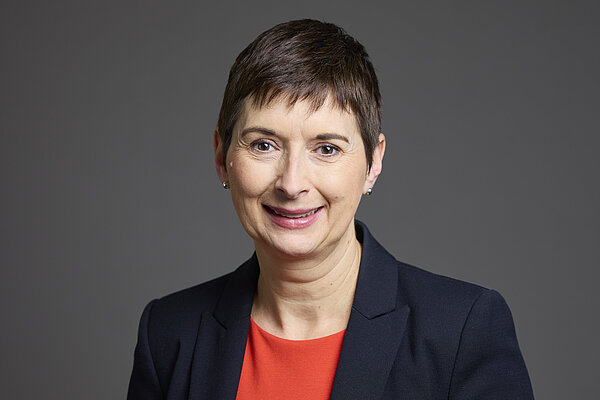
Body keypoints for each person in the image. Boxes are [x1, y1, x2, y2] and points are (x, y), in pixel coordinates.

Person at [127, 19, 534, 400]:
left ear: (373, 163)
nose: (292, 183)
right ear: (222, 155)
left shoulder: (461, 330)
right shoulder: (168, 333)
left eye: (327, 149)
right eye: (263, 145)